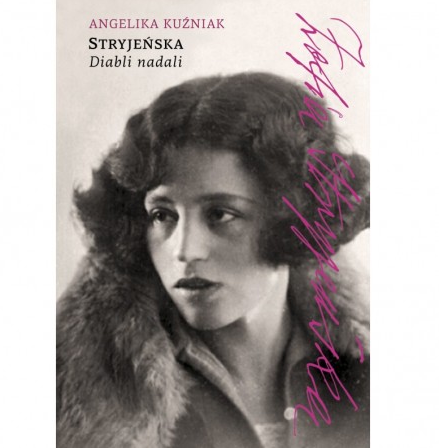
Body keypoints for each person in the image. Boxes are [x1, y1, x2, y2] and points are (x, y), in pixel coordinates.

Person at [57, 72, 370, 448]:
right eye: (162, 215)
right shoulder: (69, 390)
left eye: (220, 214)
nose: (184, 251)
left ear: (292, 218)